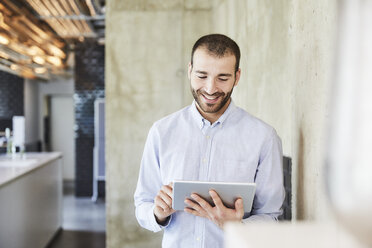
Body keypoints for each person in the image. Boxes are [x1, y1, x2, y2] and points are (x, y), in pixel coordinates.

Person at [134, 34, 285, 248]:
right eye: (201, 76)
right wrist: (157, 213)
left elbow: (271, 217)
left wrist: (237, 226)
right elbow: (142, 204)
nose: (210, 88)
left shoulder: (264, 137)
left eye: (222, 78)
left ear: (237, 76)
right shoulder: (161, 132)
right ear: (189, 71)